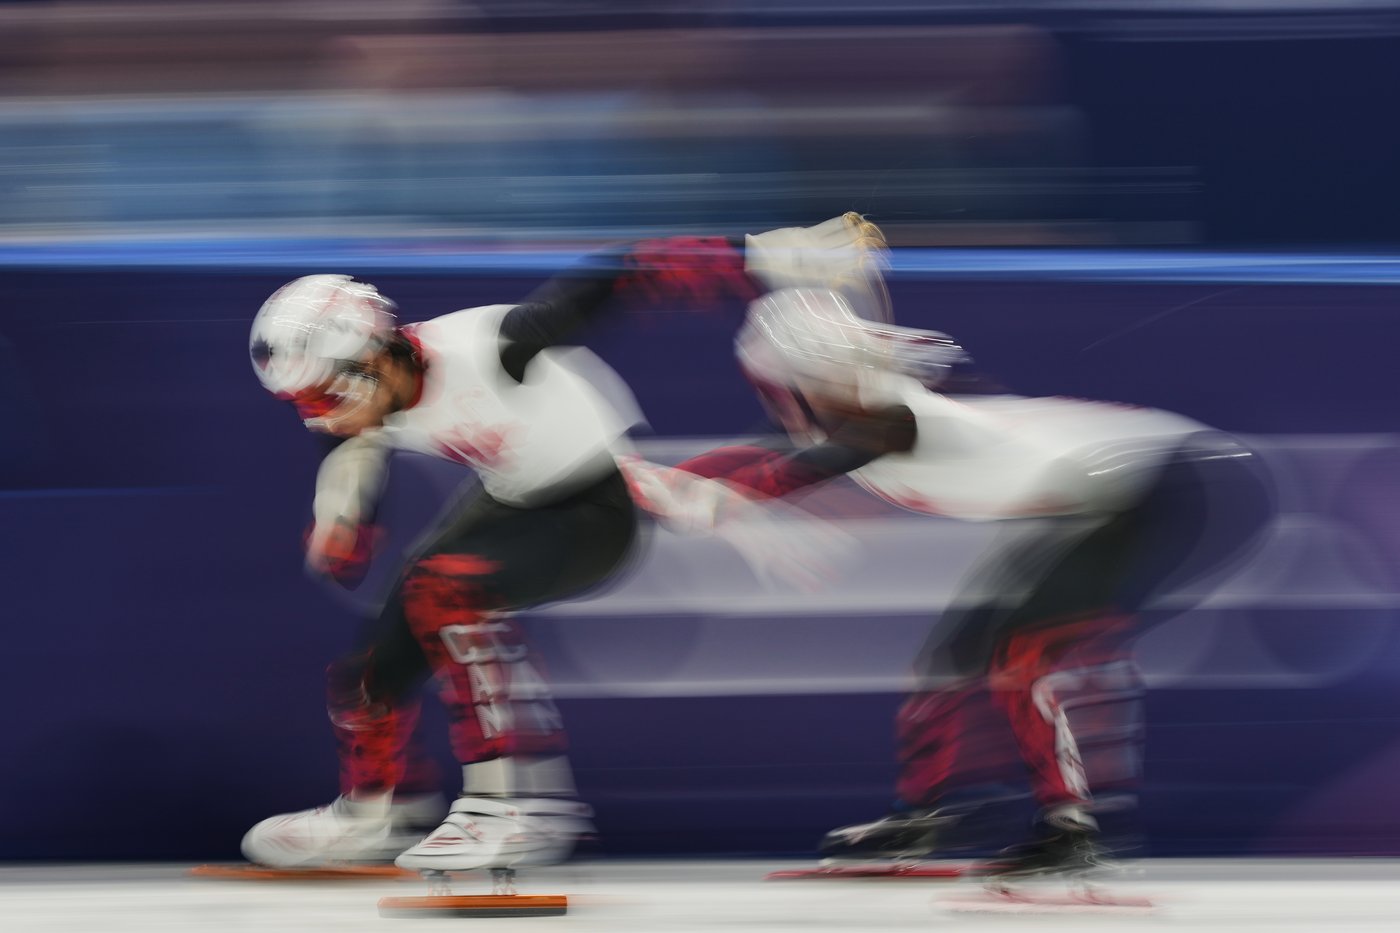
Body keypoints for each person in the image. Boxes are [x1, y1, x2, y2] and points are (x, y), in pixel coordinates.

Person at [239, 214, 889, 873]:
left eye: (323, 394)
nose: (320, 415)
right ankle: (377, 808)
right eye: (302, 402)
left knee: (445, 586)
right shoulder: (369, 392)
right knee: (376, 661)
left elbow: (623, 275)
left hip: (596, 506)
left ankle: (513, 805)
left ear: (374, 356)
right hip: (512, 496)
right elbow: (353, 446)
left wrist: (767, 255)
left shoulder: (492, 346)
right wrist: (347, 515)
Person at [624, 283, 1274, 880]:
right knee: (955, 656)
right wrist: (647, 475)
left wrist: (688, 492)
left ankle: (1073, 829)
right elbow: (751, 459)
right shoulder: (857, 412)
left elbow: (785, 473)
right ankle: (928, 814)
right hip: (1121, 496)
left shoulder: (888, 418)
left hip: (1181, 485)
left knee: (1024, 654)